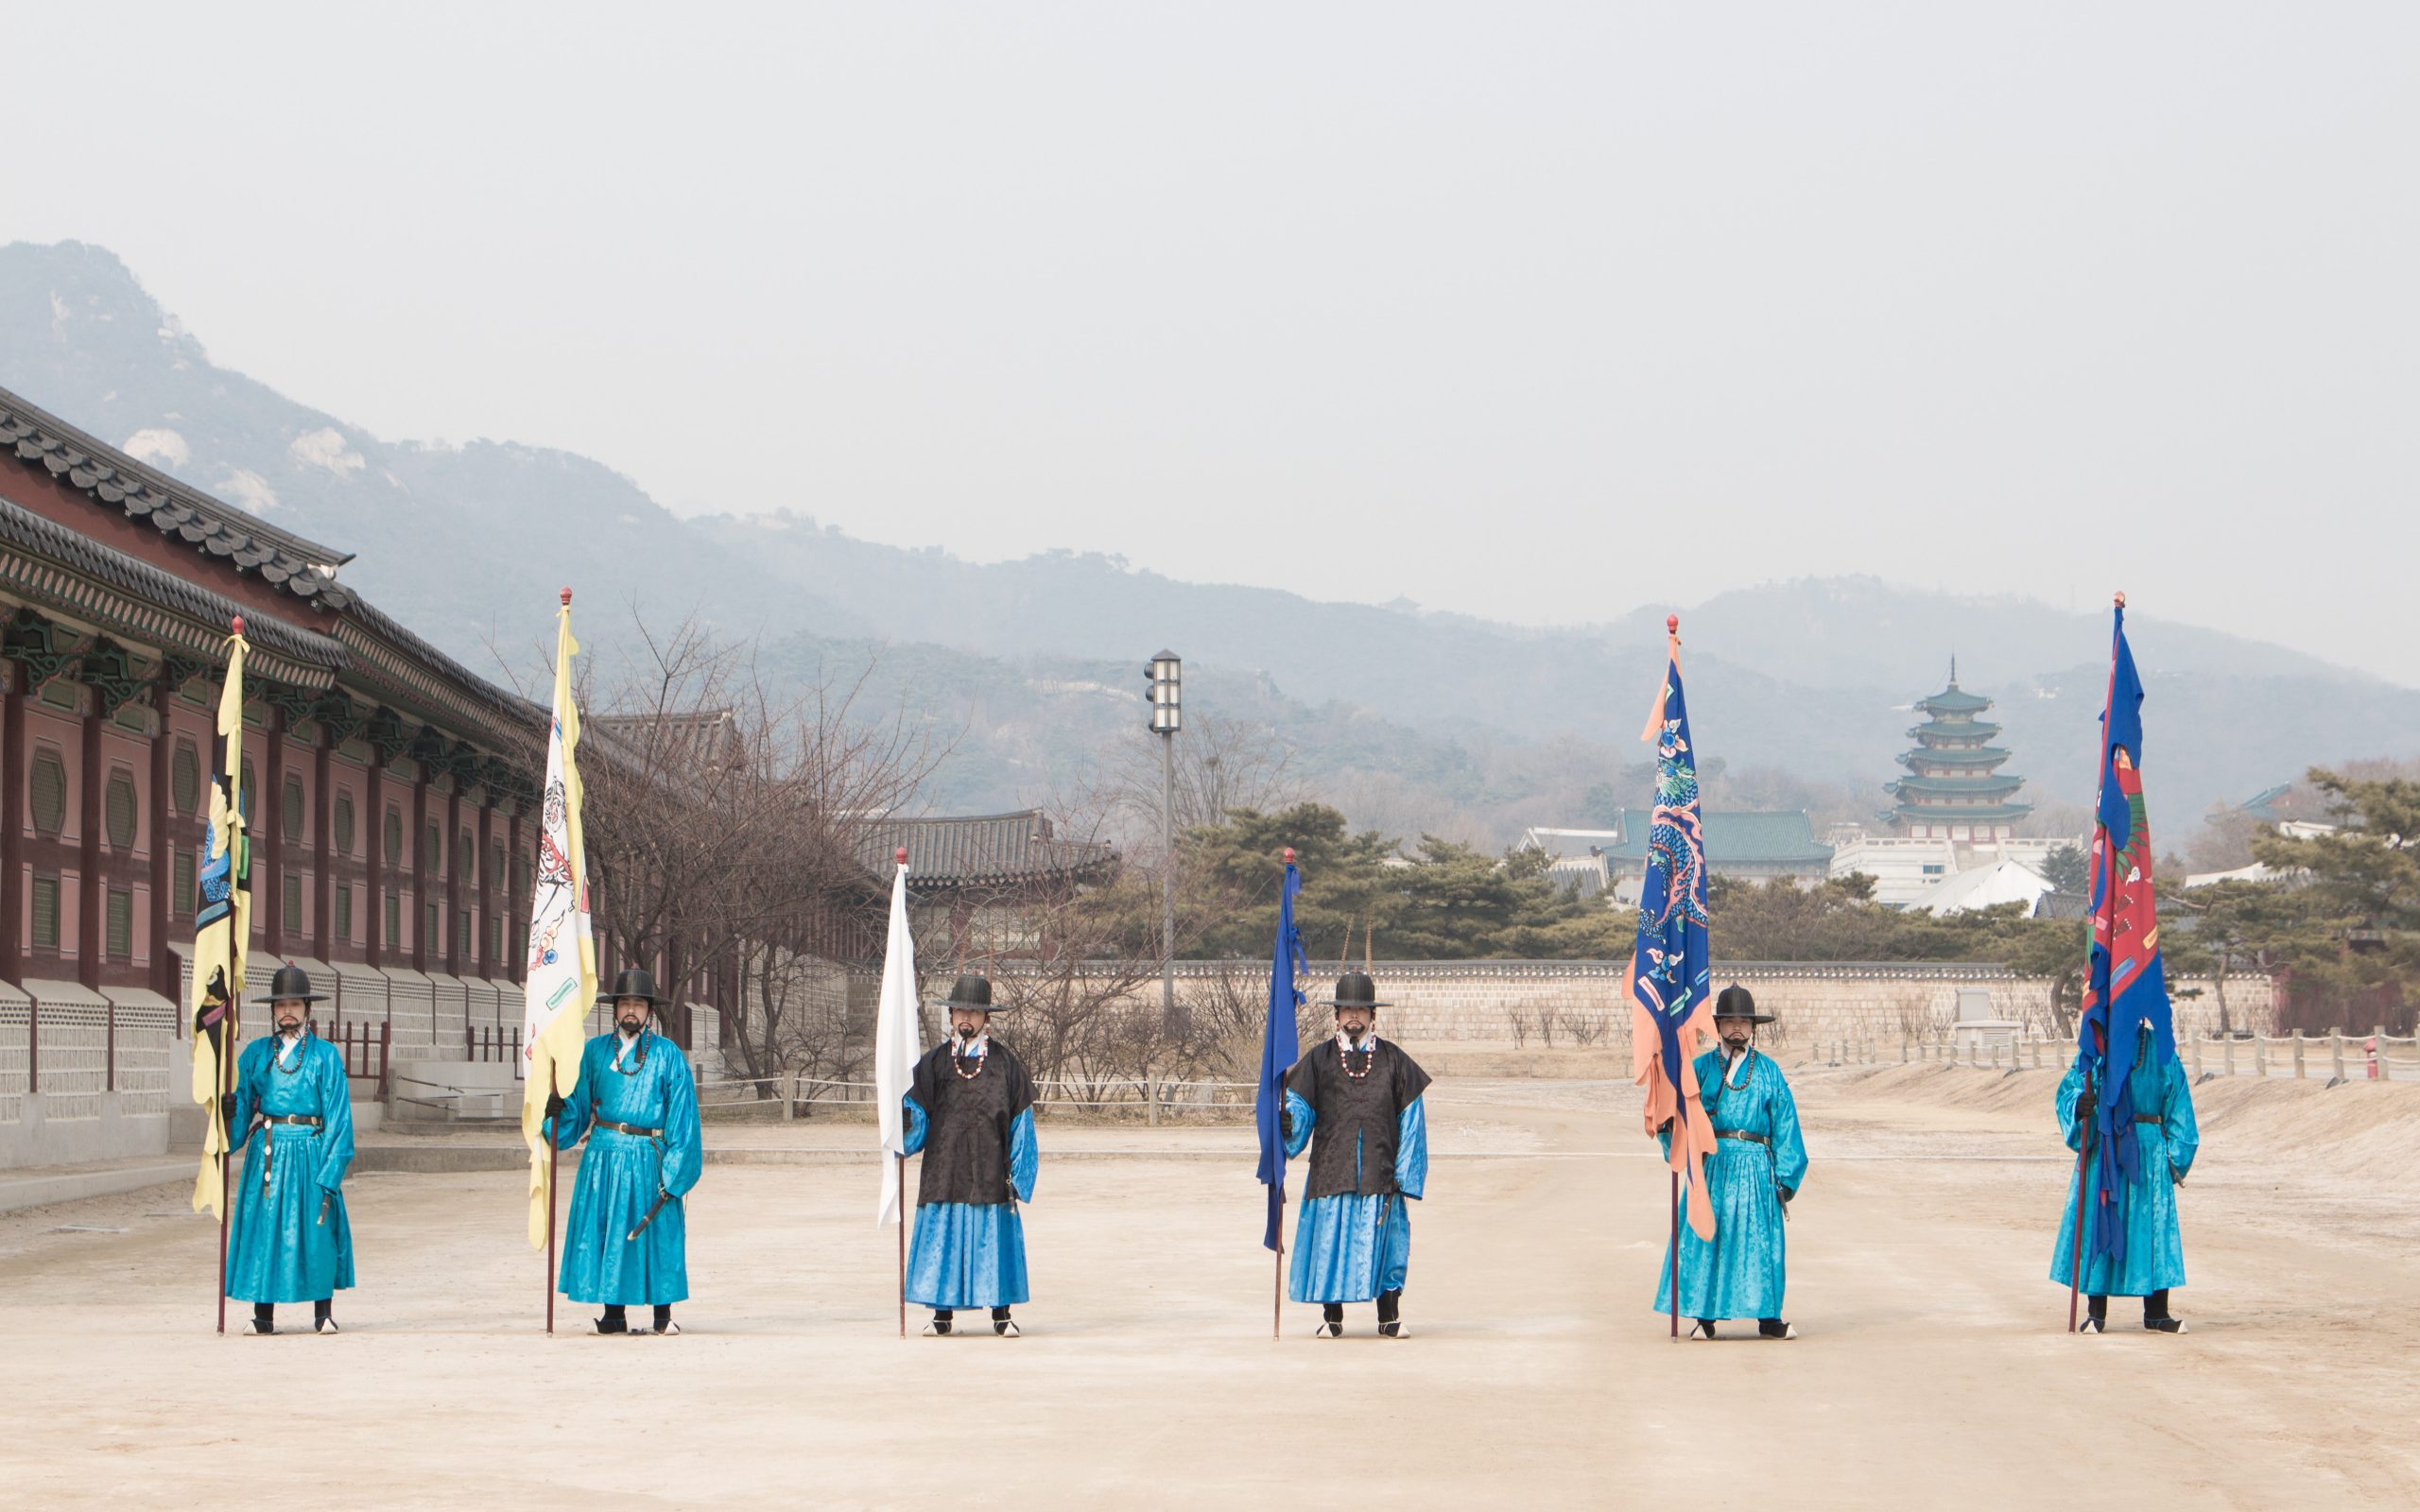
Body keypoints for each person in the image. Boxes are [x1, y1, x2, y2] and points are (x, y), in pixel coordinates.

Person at [544, 968, 702, 1336]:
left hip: (649, 1155)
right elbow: (577, 1105)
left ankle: (663, 1315)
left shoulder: (668, 1056)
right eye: (625, 1003)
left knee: (657, 1231)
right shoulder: (593, 1053)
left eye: (639, 1004)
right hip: (603, 1155)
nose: (631, 1010)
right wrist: (556, 1112)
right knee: (608, 1230)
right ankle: (612, 1313)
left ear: (649, 1011)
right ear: (615, 1009)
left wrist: (675, 1172)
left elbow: (683, 1117)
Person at [1281, 970, 1431, 1339]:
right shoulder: (1318, 1060)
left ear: (1372, 1015)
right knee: (1330, 1243)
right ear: (1336, 1015)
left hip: (1381, 1172)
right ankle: (1333, 1318)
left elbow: (1412, 1119)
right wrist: (1289, 1120)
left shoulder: (1396, 1061)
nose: (1353, 1017)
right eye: (1347, 1009)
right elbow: (1300, 1106)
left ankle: (1389, 1316)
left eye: (1361, 1010)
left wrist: (1404, 1172)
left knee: (1387, 1248)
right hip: (1333, 1168)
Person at [1653, 984, 1807, 1341]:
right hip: (1713, 1165)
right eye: (1730, 1021)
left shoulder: (1769, 1072)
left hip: (1757, 1167)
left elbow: (1786, 1124)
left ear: (1753, 1027)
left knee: (1762, 1243)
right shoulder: (1700, 1069)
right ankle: (1705, 1317)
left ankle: (1769, 1318)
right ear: (1718, 1025)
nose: (1737, 1028)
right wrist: (1668, 1122)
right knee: (1707, 1238)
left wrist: (1785, 1176)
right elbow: (1678, 1112)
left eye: (1744, 1021)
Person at [904, 972, 1038, 1336]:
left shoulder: (1005, 1065)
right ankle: (941, 1314)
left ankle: (1001, 1314)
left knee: (991, 1240)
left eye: (974, 1012)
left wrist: (1020, 1174)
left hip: (991, 1167)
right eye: (960, 1010)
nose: (966, 1017)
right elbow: (915, 1116)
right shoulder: (932, 1065)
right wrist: (899, 1129)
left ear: (986, 1018)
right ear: (950, 1016)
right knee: (944, 1237)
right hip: (944, 1167)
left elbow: (1022, 1123)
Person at [223, 965, 355, 1335]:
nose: (288, 1012)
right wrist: (228, 1112)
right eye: (281, 1004)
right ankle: (262, 1315)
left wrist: (331, 1169)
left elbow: (339, 1117)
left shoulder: (325, 1056)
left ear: (307, 1009)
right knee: (264, 1229)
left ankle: (322, 1313)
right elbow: (243, 1106)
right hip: (267, 1150)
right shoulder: (255, 1054)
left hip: (311, 1150)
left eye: (295, 1004)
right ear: (271, 1010)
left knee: (315, 1232)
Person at [2050, 1018, 2198, 1333]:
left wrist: (2172, 1160)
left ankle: (2157, 1312)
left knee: (2154, 1229)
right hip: (2104, 1144)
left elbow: (2179, 1107)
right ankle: (2096, 1312)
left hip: (2149, 1151)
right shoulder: (2095, 1050)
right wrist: (2079, 1105)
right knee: (2101, 1220)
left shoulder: (2162, 1051)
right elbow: (2068, 1090)